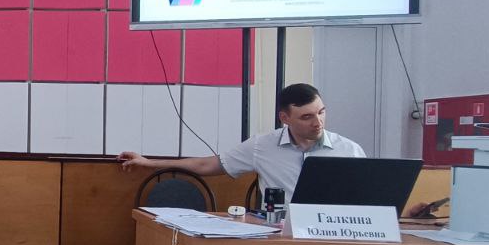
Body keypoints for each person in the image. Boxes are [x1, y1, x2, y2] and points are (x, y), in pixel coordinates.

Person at [118, 83, 365, 204]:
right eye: (307, 117)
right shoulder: (262, 146)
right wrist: (148, 163)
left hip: (334, 234)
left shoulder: (350, 151)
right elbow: (208, 165)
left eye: (321, 112)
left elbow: (366, 201)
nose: (318, 122)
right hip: (280, 236)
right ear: (284, 118)